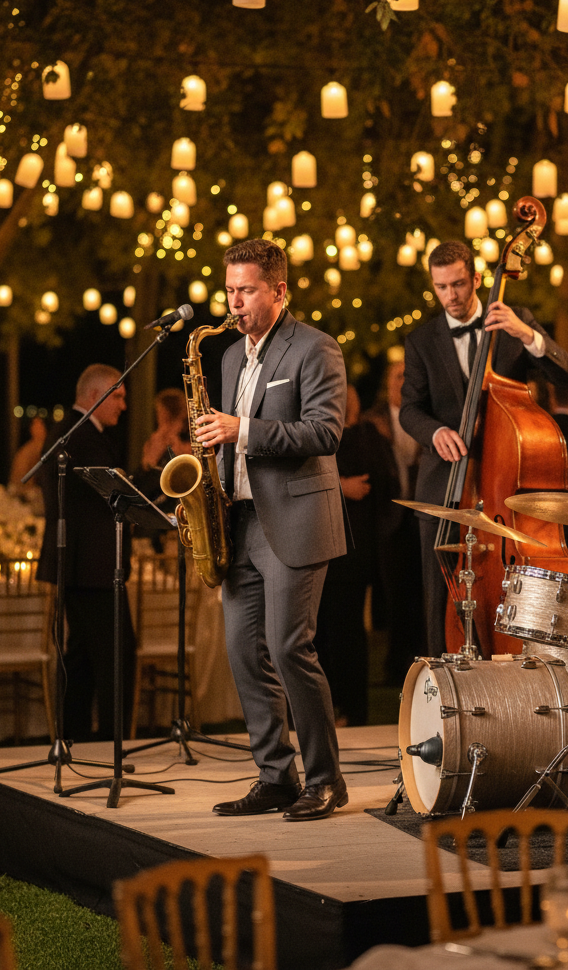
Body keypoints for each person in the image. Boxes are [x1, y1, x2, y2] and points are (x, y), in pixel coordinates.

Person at [193, 238, 349, 821]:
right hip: (240, 520)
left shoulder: (316, 347)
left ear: (279, 291)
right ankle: (276, 776)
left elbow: (325, 433)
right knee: (241, 651)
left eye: (246, 291)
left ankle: (327, 779)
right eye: (229, 290)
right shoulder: (230, 356)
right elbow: (230, 441)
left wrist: (242, 429)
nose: (234, 303)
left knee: (288, 647)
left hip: (294, 520)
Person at [399, 240, 568, 657]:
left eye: (459, 284)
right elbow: (410, 409)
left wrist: (526, 334)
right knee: (439, 600)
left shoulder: (516, 322)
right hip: (445, 488)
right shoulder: (422, 340)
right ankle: (442, 686)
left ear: (477, 278)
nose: (451, 295)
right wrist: (434, 432)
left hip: (504, 491)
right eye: (441, 287)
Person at [36, 364, 135, 743]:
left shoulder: (69, 432)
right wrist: (148, 470)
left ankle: (74, 736)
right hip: (92, 568)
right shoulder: (82, 436)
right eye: (118, 396)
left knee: (82, 655)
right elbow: (115, 495)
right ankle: (113, 743)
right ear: (95, 396)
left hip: (79, 566)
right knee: (117, 655)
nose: (123, 405)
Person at [314, 385, 397, 725]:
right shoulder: (323, 440)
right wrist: (339, 485)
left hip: (352, 550)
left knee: (346, 631)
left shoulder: (366, 437)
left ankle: (351, 709)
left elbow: (372, 485)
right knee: (320, 633)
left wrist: (339, 485)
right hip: (320, 547)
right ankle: (329, 707)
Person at [365, 359, 425, 682]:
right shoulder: (373, 422)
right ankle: (395, 663)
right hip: (389, 519)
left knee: (420, 592)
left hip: (420, 517)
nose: (402, 382)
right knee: (393, 595)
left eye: (407, 376)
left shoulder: (423, 419)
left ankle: (420, 659)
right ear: (388, 382)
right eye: (397, 376)